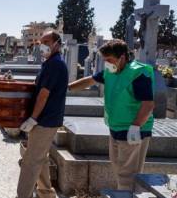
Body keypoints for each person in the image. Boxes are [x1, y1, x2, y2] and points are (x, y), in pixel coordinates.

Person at [69, 39, 155, 191]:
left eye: (109, 60)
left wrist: (135, 127)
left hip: (133, 130)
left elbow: (148, 104)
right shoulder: (111, 72)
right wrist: (67, 88)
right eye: (105, 60)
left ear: (122, 57)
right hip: (115, 128)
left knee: (128, 175)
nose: (107, 63)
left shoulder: (138, 73)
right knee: (118, 169)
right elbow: (89, 81)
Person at [17, 31, 68, 198]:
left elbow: (44, 94)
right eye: (41, 42)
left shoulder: (55, 64)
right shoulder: (50, 63)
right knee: (41, 158)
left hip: (44, 120)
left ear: (57, 43)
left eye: (46, 41)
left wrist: (33, 118)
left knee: (30, 161)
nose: (43, 44)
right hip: (46, 119)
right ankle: (46, 193)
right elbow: (38, 87)